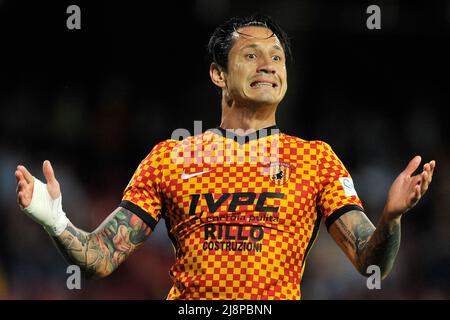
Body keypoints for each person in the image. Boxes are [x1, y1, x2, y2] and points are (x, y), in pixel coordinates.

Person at [15, 14, 435, 300]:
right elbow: (99, 259)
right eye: (251, 55)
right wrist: (55, 220)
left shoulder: (317, 161)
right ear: (219, 74)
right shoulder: (171, 158)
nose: (267, 65)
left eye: (276, 57)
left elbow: (369, 262)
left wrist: (390, 218)